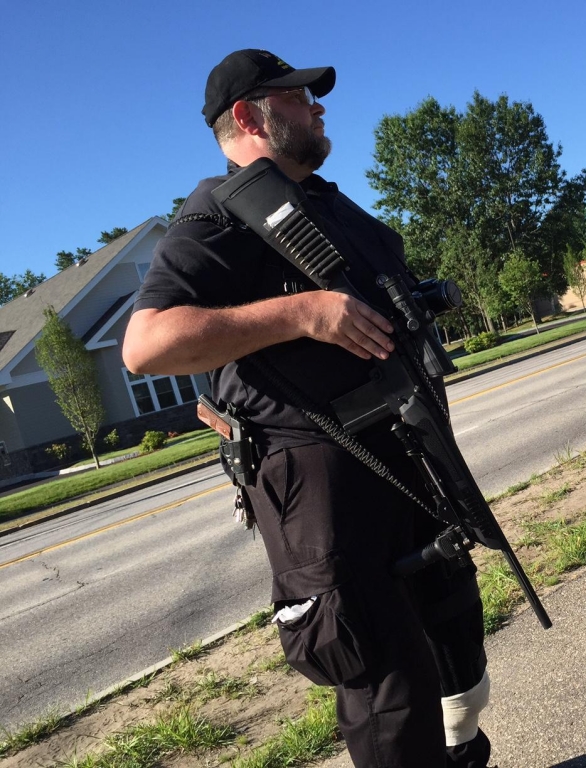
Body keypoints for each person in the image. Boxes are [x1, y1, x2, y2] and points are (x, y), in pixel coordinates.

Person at [122, 49, 491, 768]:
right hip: (319, 475)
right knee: (386, 682)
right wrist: (303, 313)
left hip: (403, 446)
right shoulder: (219, 217)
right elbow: (146, 344)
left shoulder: (326, 202)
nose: (316, 106)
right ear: (246, 115)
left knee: (454, 637)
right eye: (294, 97)